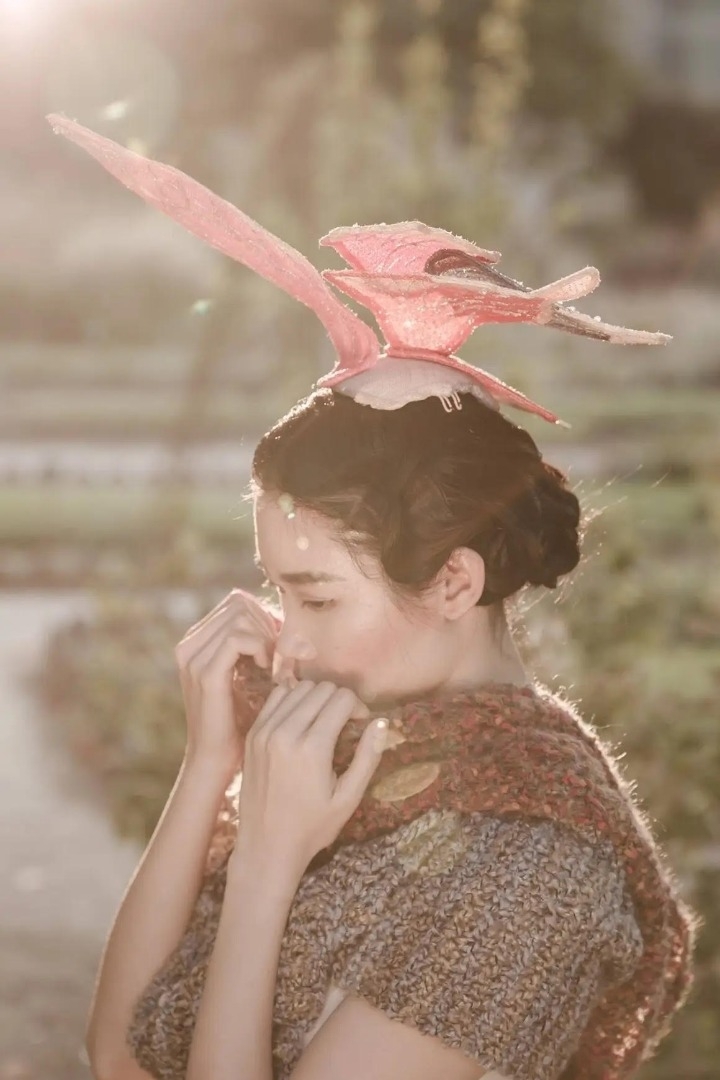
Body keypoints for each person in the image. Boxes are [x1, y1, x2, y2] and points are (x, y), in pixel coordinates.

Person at [47, 116, 697, 1080]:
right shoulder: (354, 759)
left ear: (454, 582)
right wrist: (209, 762)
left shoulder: (530, 871)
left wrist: (265, 869)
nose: (288, 644)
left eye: (315, 597)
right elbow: (116, 1053)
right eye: (276, 588)